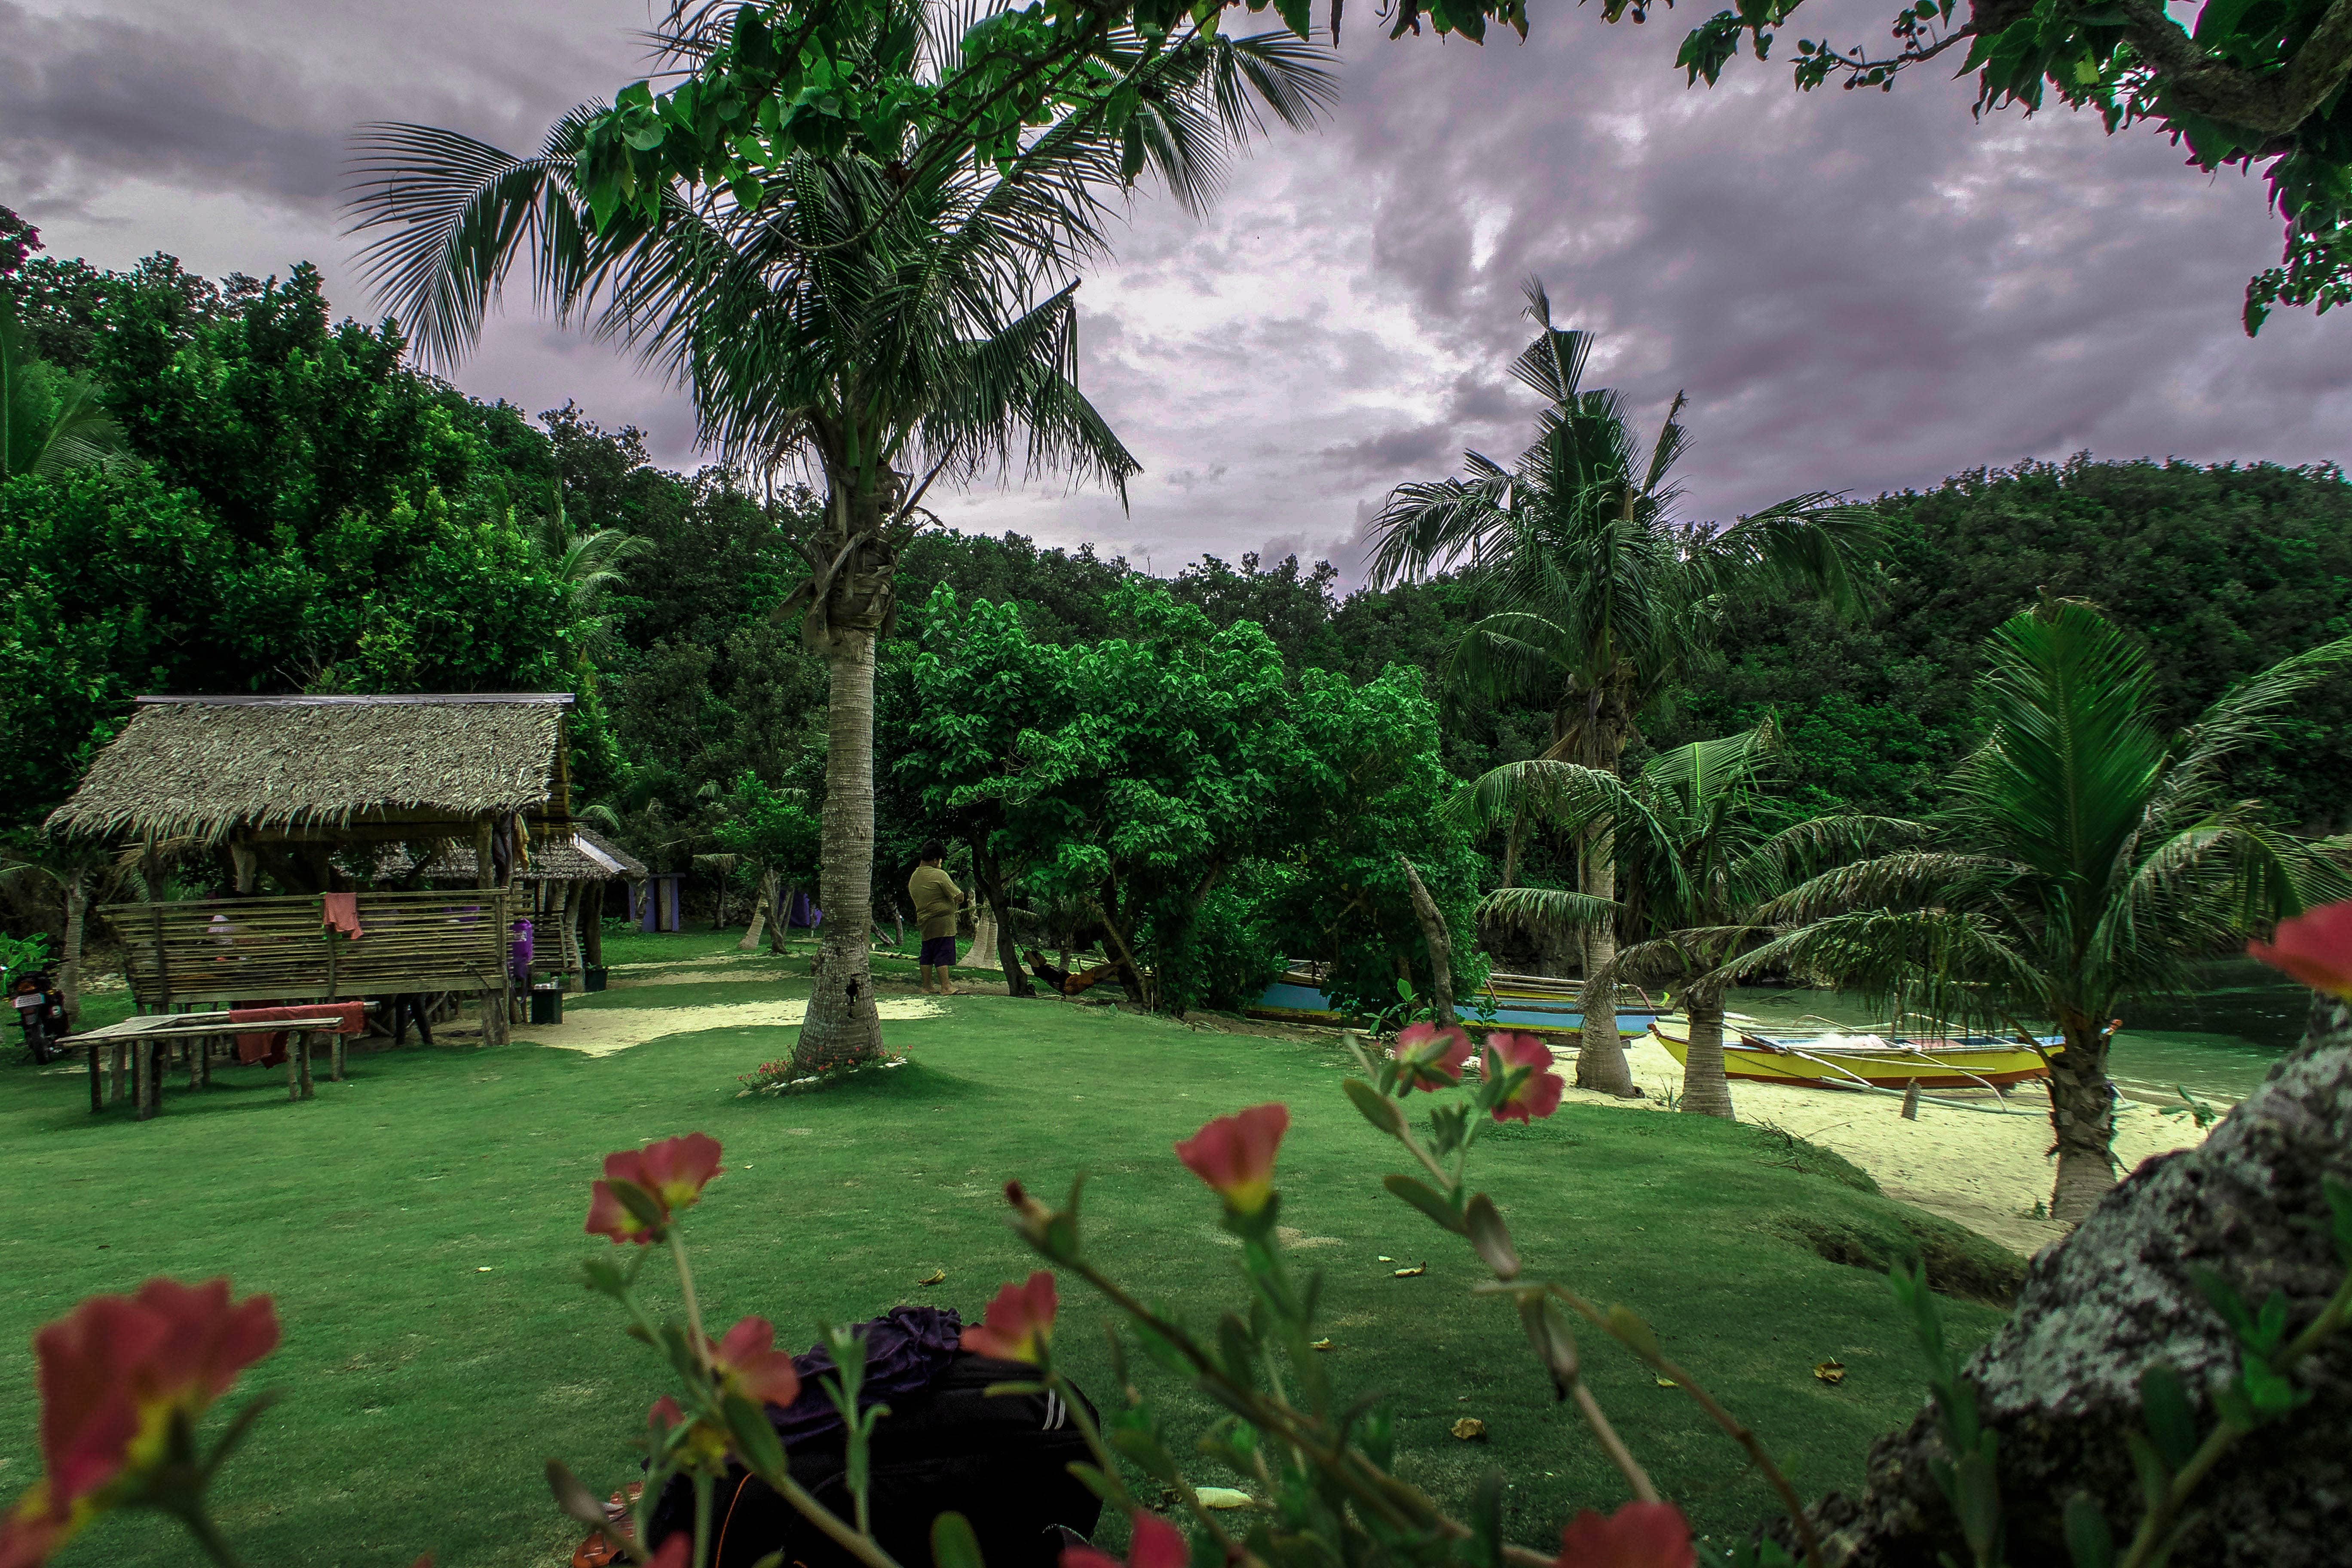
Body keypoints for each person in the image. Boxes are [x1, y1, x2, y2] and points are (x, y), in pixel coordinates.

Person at [906, 842, 965, 996]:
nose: (941, 864)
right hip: (943, 923)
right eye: (940, 860)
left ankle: (927, 987)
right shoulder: (940, 875)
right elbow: (958, 896)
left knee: (927, 953)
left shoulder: (914, 877)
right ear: (934, 860)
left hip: (925, 922)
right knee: (942, 954)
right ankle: (946, 987)